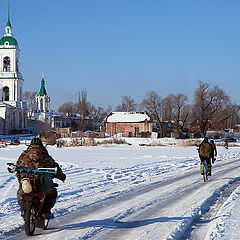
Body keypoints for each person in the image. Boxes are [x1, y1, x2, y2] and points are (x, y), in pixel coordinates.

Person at [16, 137, 66, 218]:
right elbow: (54, 166)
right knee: (52, 192)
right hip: (40, 181)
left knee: (21, 192)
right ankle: (46, 211)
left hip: (26, 179)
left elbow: (18, 164)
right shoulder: (44, 155)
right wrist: (62, 176)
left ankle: (23, 210)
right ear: (41, 145)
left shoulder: (24, 155)